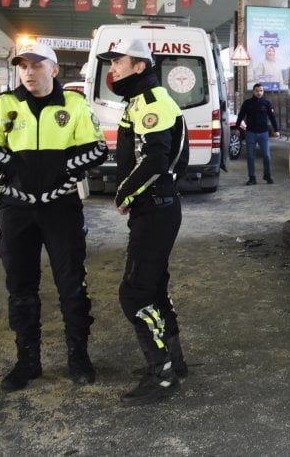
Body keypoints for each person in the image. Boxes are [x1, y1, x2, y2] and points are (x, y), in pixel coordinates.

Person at [0, 43, 107, 391]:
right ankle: (28, 361)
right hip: (16, 210)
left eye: (36, 65)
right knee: (20, 287)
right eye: (22, 66)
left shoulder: (73, 105)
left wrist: (63, 167)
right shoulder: (4, 104)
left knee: (72, 285)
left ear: (54, 70)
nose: (28, 72)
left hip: (61, 209)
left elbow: (97, 149)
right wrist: (10, 164)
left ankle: (79, 357)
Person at [98, 38, 189, 405]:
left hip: (155, 209)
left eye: (118, 62)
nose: (112, 69)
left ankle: (161, 374)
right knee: (152, 288)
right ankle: (175, 362)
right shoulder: (139, 101)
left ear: (139, 66)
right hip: (153, 208)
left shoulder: (153, 101)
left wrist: (124, 194)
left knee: (134, 293)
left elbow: (157, 160)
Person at [235, 83, 280, 185]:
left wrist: (276, 130)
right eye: (257, 91)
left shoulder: (267, 103)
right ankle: (252, 178)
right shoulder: (247, 103)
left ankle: (267, 175)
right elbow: (241, 115)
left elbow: (272, 117)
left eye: (261, 91)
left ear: (263, 92)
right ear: (253, 91)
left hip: (263, 134)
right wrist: (237, 128)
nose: (259, 93)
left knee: (266, 155)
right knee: (250, 156)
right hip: (250, 133)